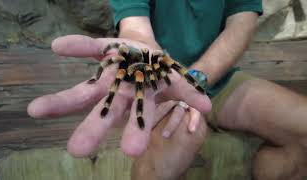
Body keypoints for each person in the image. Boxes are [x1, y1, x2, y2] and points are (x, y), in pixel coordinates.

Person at [27, 0, 307, 179]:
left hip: (215, 80)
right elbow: (135, 29)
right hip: (159, 90)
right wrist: (157, 72)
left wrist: (192, 81)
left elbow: (241, 25)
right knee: (160, 163)